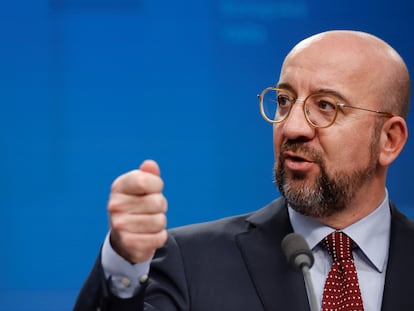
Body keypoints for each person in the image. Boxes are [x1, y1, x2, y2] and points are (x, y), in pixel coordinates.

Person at [73, 30, 413, 311]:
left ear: (389, 140)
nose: (292, 127)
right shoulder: (190, 262)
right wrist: (123, 264)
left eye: (324, 106)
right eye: (283, 100)